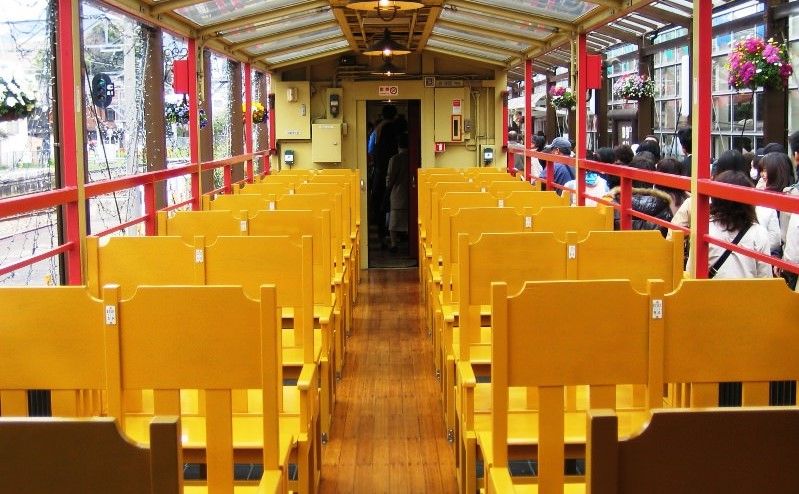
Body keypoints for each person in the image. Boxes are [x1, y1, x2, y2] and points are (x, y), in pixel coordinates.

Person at [686, 170, 771, 279]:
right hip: (747, 294)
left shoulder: (705, 229)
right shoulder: (759, 232)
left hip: (710, 294)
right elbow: (765, 278)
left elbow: (691, 272)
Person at [604, 152, 673, 237]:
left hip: (619, 246)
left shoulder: (613, 201)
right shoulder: (664, 204)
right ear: (654, 179)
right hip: (655, 248)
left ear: (628, 178)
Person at [386, 133, 409, 253]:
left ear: (398, 145)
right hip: (410, 193)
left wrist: (387, 190)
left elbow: (390, 179)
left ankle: (394, 243)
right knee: (409, 218)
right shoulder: (413, 157)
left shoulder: (394, 159)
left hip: (397, 193)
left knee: (394, 221)